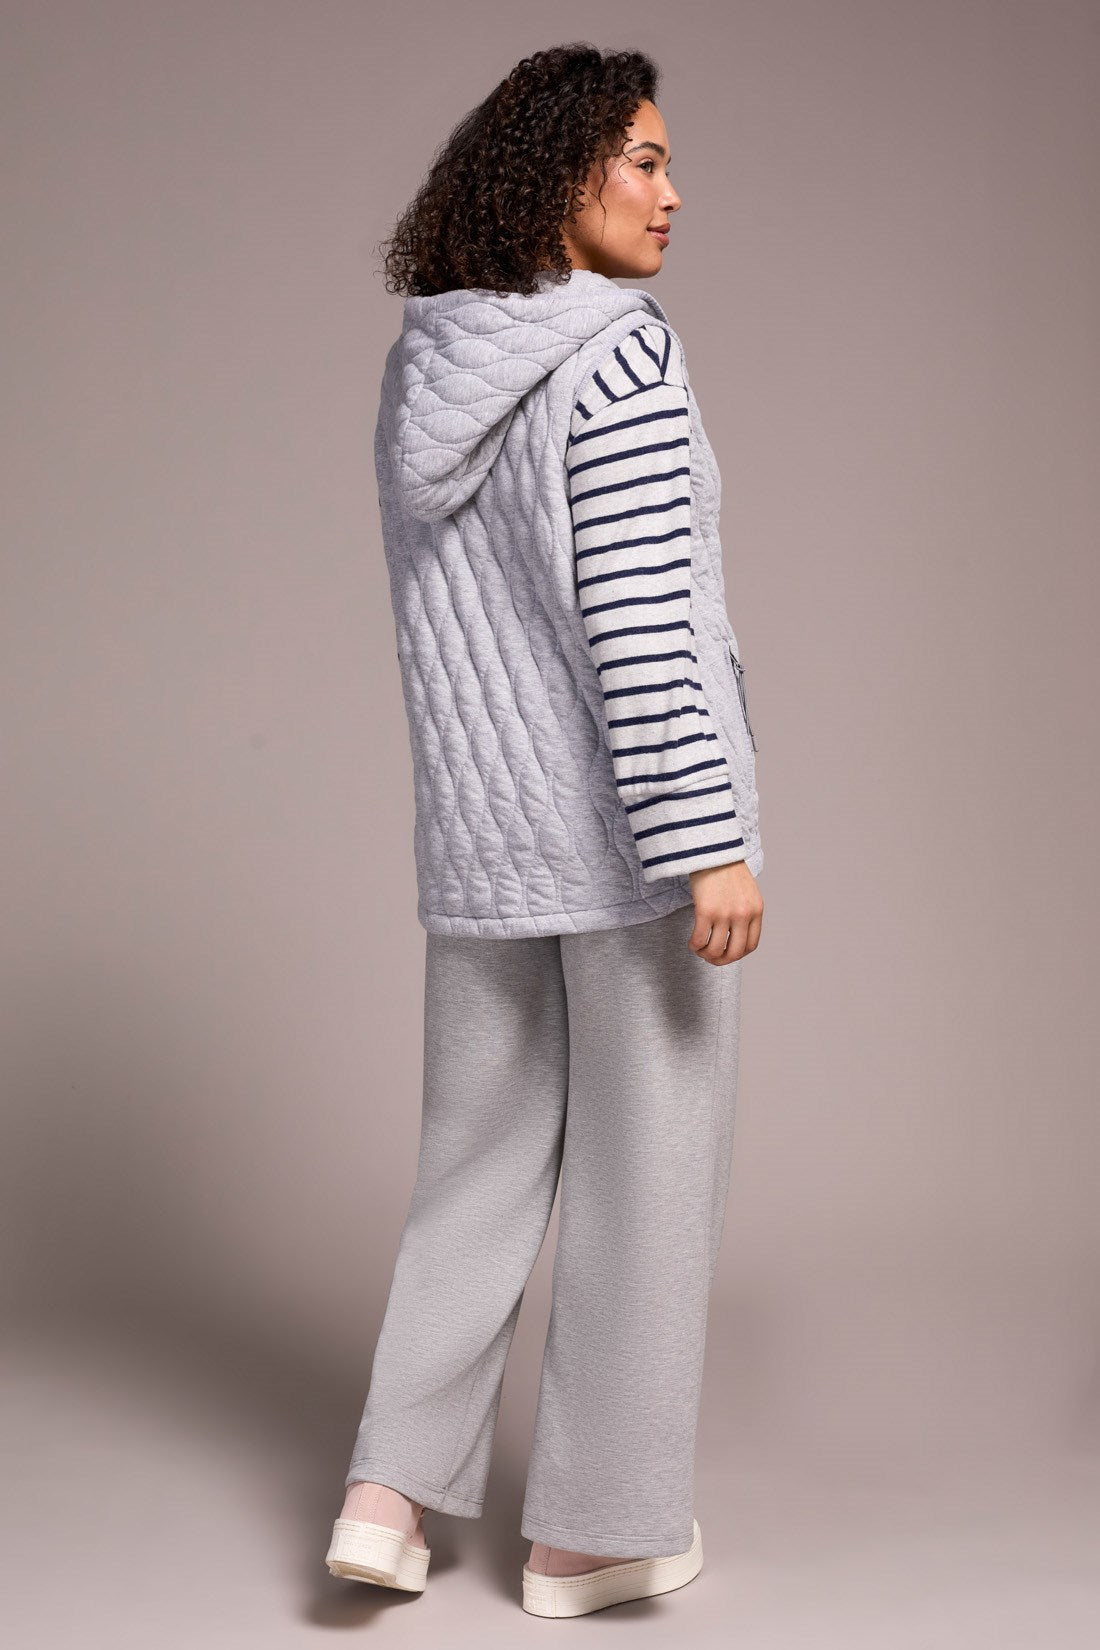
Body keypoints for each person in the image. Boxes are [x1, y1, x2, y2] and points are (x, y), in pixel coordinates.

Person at [324, 43, 765, 1618]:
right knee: (650, 1179)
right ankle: (595, 1531)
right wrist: (707, 837)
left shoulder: (429, 367)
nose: (672, 190)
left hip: (479, 846)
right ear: (562, 173)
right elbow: (641, 628)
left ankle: (386, 1496)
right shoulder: (618, 361)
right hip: (633, 848)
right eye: (642, 159)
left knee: (474, 1168)